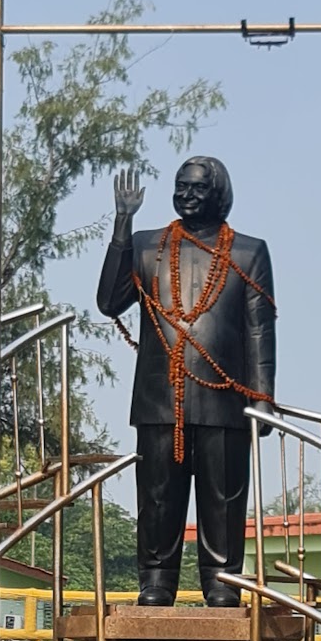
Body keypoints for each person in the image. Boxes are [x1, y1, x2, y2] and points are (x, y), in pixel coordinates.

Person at [96, 158, 276, 607]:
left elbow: (259, 329)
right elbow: (109, 302)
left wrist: (265, 396)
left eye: (197, 188)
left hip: (226, 399)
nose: (188, 195)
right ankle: (156, 578)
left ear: (220, 193)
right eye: (181, 187)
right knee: (157, 495)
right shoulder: (145, 245)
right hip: (160, 398)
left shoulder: (249, 252)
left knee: (224, 496)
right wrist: (122, 225)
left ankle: (222, 580)